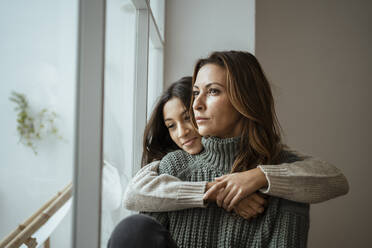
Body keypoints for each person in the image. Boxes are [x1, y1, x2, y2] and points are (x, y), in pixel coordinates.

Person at [109, 51, 349, 247]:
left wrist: (259, 176)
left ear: (245, 99)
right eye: (195, 93)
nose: (197, 104)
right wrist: (215, 192)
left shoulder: (288, 179)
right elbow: (134, 195)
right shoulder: (174, 166)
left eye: (213, 91)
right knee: (133, 230)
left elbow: (335, 178)